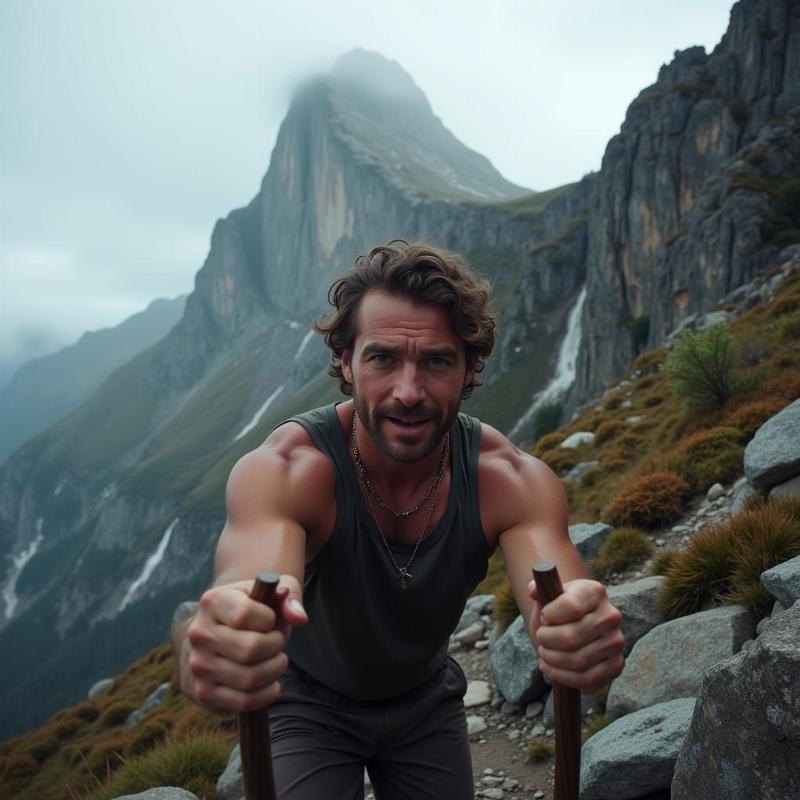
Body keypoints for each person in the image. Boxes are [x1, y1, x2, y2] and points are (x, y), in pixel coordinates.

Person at [172, 241, 625, 799]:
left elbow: (560, 600)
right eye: (383, 358)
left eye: (436, 361)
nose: (408, 393)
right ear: (345, 361)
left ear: (468, 371)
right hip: (306, 704)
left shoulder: (507, 479)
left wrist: (583, 637)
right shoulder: (289, 470)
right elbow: (244, 585)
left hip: (425, 704)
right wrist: (212, 641)